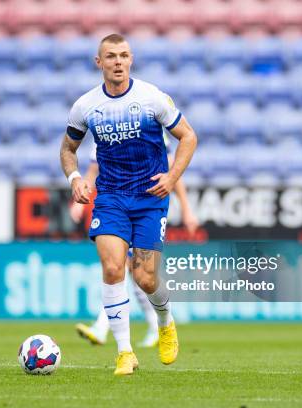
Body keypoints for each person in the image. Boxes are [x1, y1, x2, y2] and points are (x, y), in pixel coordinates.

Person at [59, 33, 197, 375]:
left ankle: (165, 322)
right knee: (112, 268)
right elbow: (67, 149)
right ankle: (124, 352)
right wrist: (75, 179)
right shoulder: (86, 106)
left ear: (131, 59)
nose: (117, 61)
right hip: (110, 198)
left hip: (150, 199)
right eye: (110, 56)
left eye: (123, 55)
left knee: (145, 277)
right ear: (99, 62)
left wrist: (172, 177)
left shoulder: (151, 98)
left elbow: (188, 137)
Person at [71, 139, 199, 348]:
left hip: (145, 206)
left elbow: (170, 166)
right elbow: (94, 169)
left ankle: (146, 324)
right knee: (119, 267)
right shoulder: (104, 124)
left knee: (139, 273)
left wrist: (186, 208)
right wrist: (78, 200)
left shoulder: (147, 121)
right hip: (117, 205)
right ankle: (109, 328)